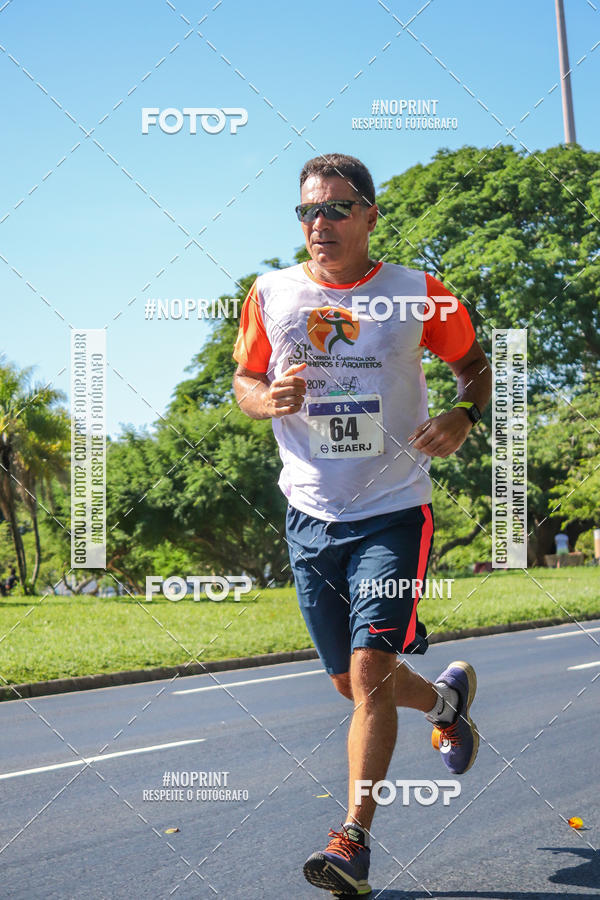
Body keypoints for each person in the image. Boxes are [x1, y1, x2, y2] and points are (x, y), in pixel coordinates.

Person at [232, 153, 492, 895]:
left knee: (372, 672)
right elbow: (244, 378)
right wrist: (264, 398)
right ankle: (447, 703)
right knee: (352, 683)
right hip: (310, 510)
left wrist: (463, 413)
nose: (321, 224)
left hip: (394, 509)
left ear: (372, 216)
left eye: (338, 209)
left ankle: (353, 842)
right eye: (308, 211)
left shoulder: (418, 294)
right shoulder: (272, 293)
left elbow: (476, 365)